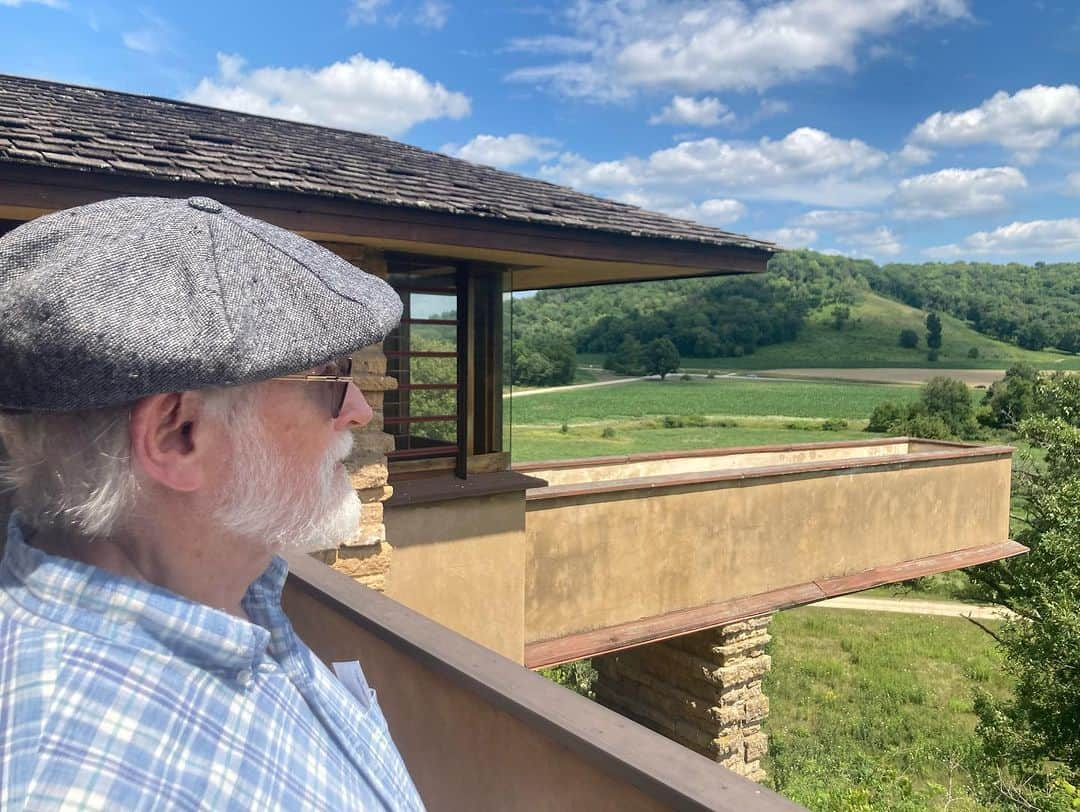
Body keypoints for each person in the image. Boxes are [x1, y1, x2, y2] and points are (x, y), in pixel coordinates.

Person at [0, 196, 425, 810]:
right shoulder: (69, 784)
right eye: (329, 375)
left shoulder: (233, 595)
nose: (358, 408)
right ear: (180, 434)